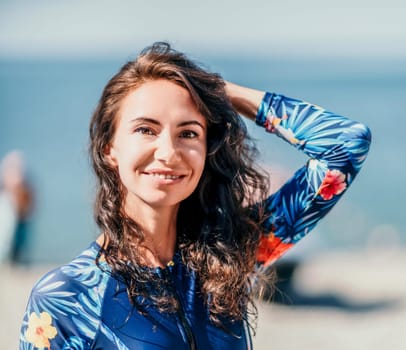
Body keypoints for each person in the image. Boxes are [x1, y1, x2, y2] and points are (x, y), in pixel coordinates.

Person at [19, 42, 371, 349]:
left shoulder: (232, 257)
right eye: (146, 129)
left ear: (207, 150)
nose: (168, 152)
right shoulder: (66, 299)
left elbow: (345, 145)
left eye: (188, 133)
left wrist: (218, 91)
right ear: (111, 148)